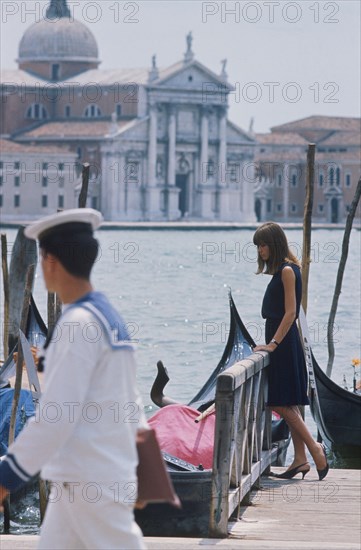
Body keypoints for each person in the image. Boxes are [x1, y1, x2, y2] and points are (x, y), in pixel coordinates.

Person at [0, 209, 147, 549]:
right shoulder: (107, 316)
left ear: (49, 260)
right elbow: (129, 402)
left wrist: (6, 477)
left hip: (89, 480)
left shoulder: (77, 323)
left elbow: (56, 417)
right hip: (83, 477)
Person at [252, 222, 329, 481]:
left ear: (273, 244)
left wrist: (272, 344)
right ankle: (299, 460)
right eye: (258, 246)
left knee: (278, 402)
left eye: (263, 245)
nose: (260, 250)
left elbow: (291, 313)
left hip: (283, 343)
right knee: (289, 402)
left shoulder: (286, 270)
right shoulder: (286, 269)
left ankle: (315, 449)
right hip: (284, 339)